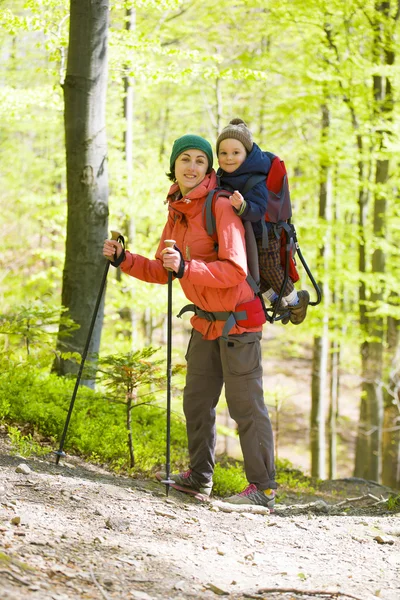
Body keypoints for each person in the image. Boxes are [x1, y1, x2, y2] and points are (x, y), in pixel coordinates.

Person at [103, 134, 277, 508]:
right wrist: (123, 259)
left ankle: (263, 489)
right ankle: (200, 477)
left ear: (209, 168)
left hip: (239, 322)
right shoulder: (177, 209)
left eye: (201, 160)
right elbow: (164, 270)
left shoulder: (221, 206)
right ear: (174, 165)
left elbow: (234, 270)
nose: (193, 166)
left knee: (245, 405)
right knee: (196, 401)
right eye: (186, 159)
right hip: (205, 322)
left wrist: (186, 267)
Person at [216, 118, 310, 325]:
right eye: (223, 153)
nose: (229, 158)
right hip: (245, 237)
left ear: (247, 154)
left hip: (265, 234)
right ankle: (278, 302)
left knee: (269, 269)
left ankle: (296, 301)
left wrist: (242, 207)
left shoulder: (256, 178)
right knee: (251, 274)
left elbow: (258, 210)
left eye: (236, 153)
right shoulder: (223, 177)